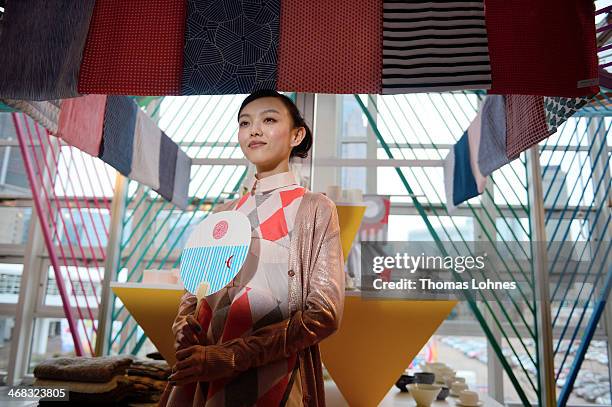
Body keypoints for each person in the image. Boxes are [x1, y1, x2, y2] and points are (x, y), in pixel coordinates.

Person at [159, 89, 345, 406]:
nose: (254, 130)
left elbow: (324, 313)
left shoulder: (315, 208)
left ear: (297, 135)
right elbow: (193, 296)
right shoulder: (223, 213)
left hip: (273, 373)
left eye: (268, 119)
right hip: (205, 371)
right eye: (245, 123)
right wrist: (183, 328)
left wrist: (231, 356)